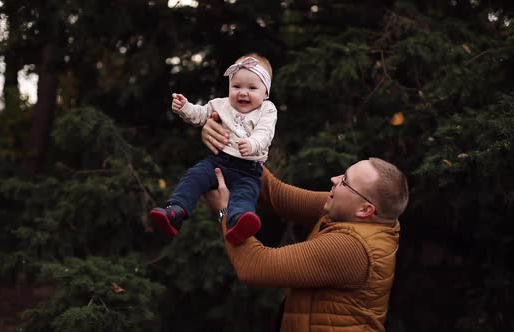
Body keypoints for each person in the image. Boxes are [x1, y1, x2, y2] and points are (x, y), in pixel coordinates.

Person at [202, 116, 409, 332]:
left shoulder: (352, 248)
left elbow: (254, 265)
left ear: (366, 210)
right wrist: (229, 137)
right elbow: (276, 194)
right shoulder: (356, 214)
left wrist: (225, 211)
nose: (334, 179)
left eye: (345, 181)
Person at [150, 54, 277, 245]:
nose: (243, 93)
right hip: (218, 161)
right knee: (194, 177)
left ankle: (238, 223)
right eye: (236, 86)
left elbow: (265, 132)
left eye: (252, 88)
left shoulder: (267, 109)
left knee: (245, 196)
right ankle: (176, 210)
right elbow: (199, 115)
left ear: (265, 92)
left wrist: (252, 144)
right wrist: (184, 107)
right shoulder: (221, 104)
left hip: (248, 170)